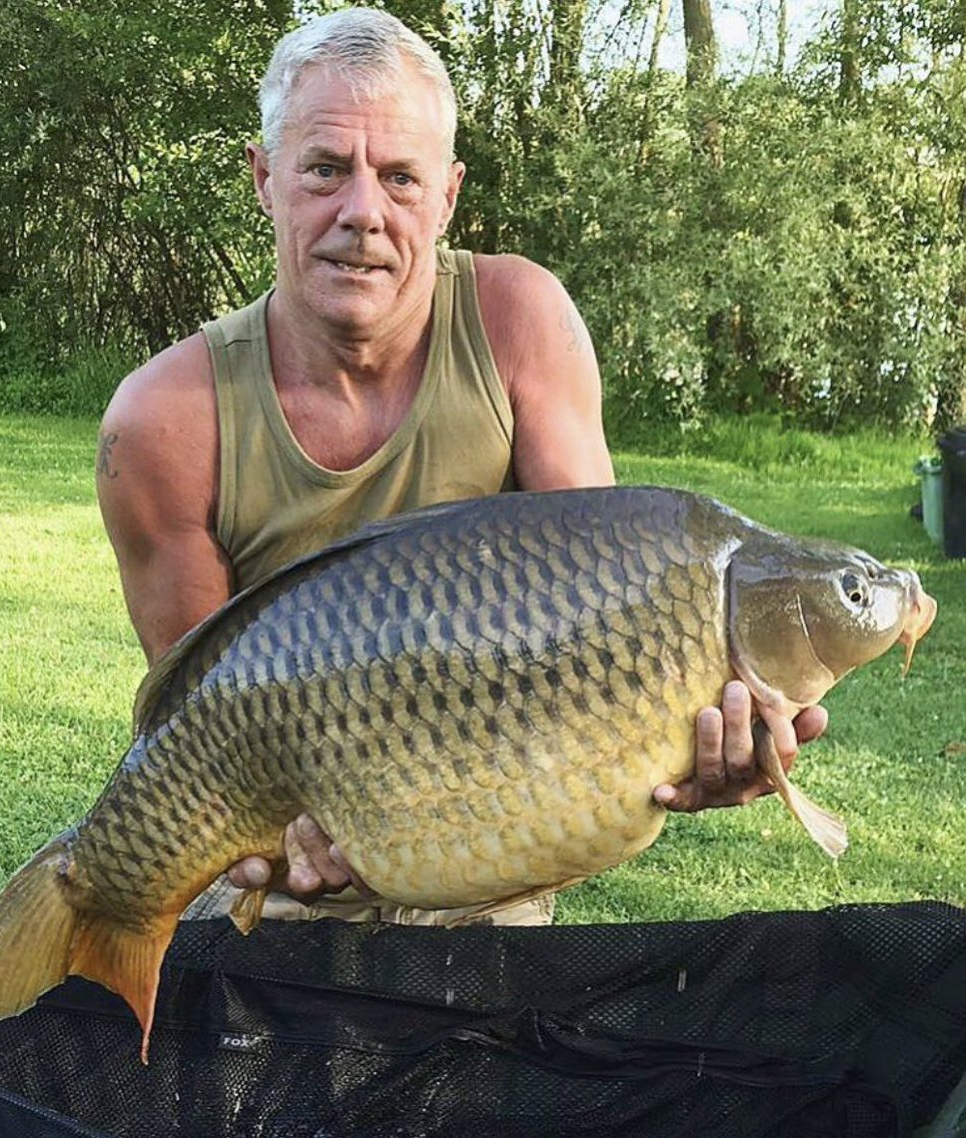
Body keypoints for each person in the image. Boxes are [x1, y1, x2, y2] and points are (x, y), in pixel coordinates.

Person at [95, 8, 827, 926]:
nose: (363, 213)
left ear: (447, 196)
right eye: (325, 169)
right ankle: (100, 916)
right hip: (285, 852)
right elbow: (194, 725)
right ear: (262, 177)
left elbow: (612, 605)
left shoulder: (519, 321)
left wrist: (696, 739)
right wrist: (278, 848)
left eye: (400, 177)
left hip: (499, 823)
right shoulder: (162, 421)